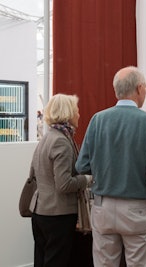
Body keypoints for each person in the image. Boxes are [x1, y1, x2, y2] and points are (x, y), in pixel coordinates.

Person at [75, 66, 146, 267]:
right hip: (138, 208)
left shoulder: (98, 120)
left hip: (103, 206)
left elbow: (82, 165)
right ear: (139, 88)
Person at [30, 94, 92, 267]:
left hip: (40, 211)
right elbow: (64, 184)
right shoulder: (61, 142)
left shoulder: (46, 139)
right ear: (68, 113)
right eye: (76, 111)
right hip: (57, 215)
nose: (79, 114)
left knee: (42, 261)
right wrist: (87, 179)